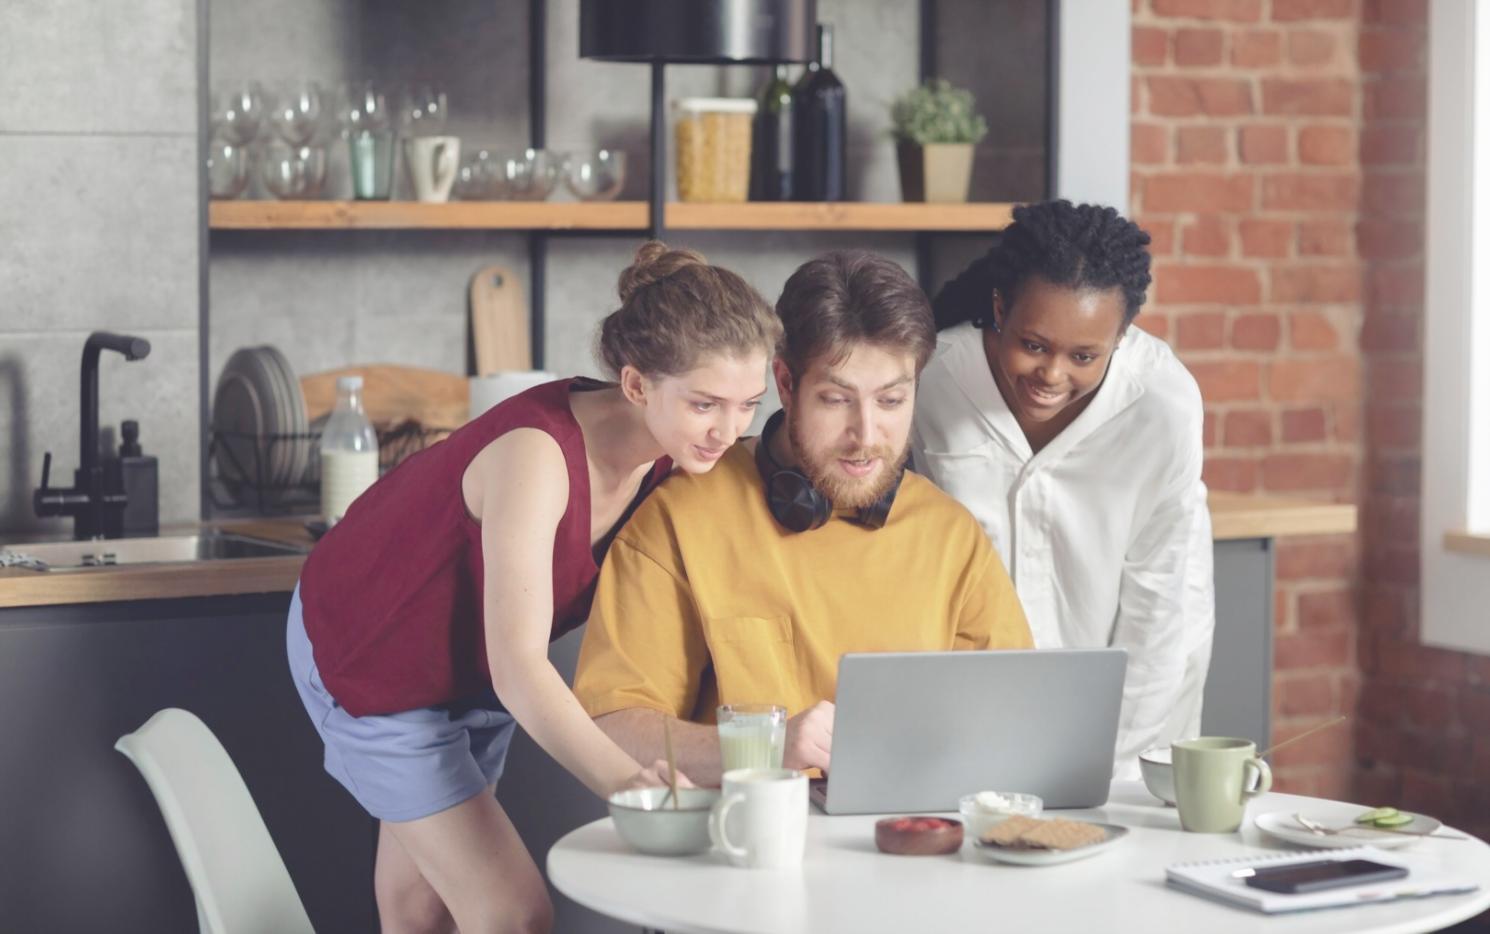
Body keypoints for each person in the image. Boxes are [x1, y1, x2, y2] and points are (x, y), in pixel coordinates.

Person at [287, 241, 781, 934]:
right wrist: (628, 784)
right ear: (637, 385)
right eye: (707, 404)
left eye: (748, 405)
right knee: (513, 915)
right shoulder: (537, 457)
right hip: (370, 651)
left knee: (419, 907)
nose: (729, 430)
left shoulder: (677, 454)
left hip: (465, 671)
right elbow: (520, 668)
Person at [571, 249, 1033, 785]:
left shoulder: (952, 536)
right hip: (741, 852)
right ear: (786, 385)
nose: (866, 436)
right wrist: (763, 746)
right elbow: (610, 728)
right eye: (837, 399)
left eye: (891, 401)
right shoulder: (678, 518)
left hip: (910, 847)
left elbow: (1016, 722)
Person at [909, 199, 1214, 780]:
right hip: (976, 683)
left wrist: (1113, 767)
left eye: (1083, 356)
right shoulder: (936, 380)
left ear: (1121, 338)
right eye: (1033, 345)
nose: (1051, 375)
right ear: (1000, 309)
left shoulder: (1162, 407)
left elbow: (1158, 603)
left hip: (1138, 673)